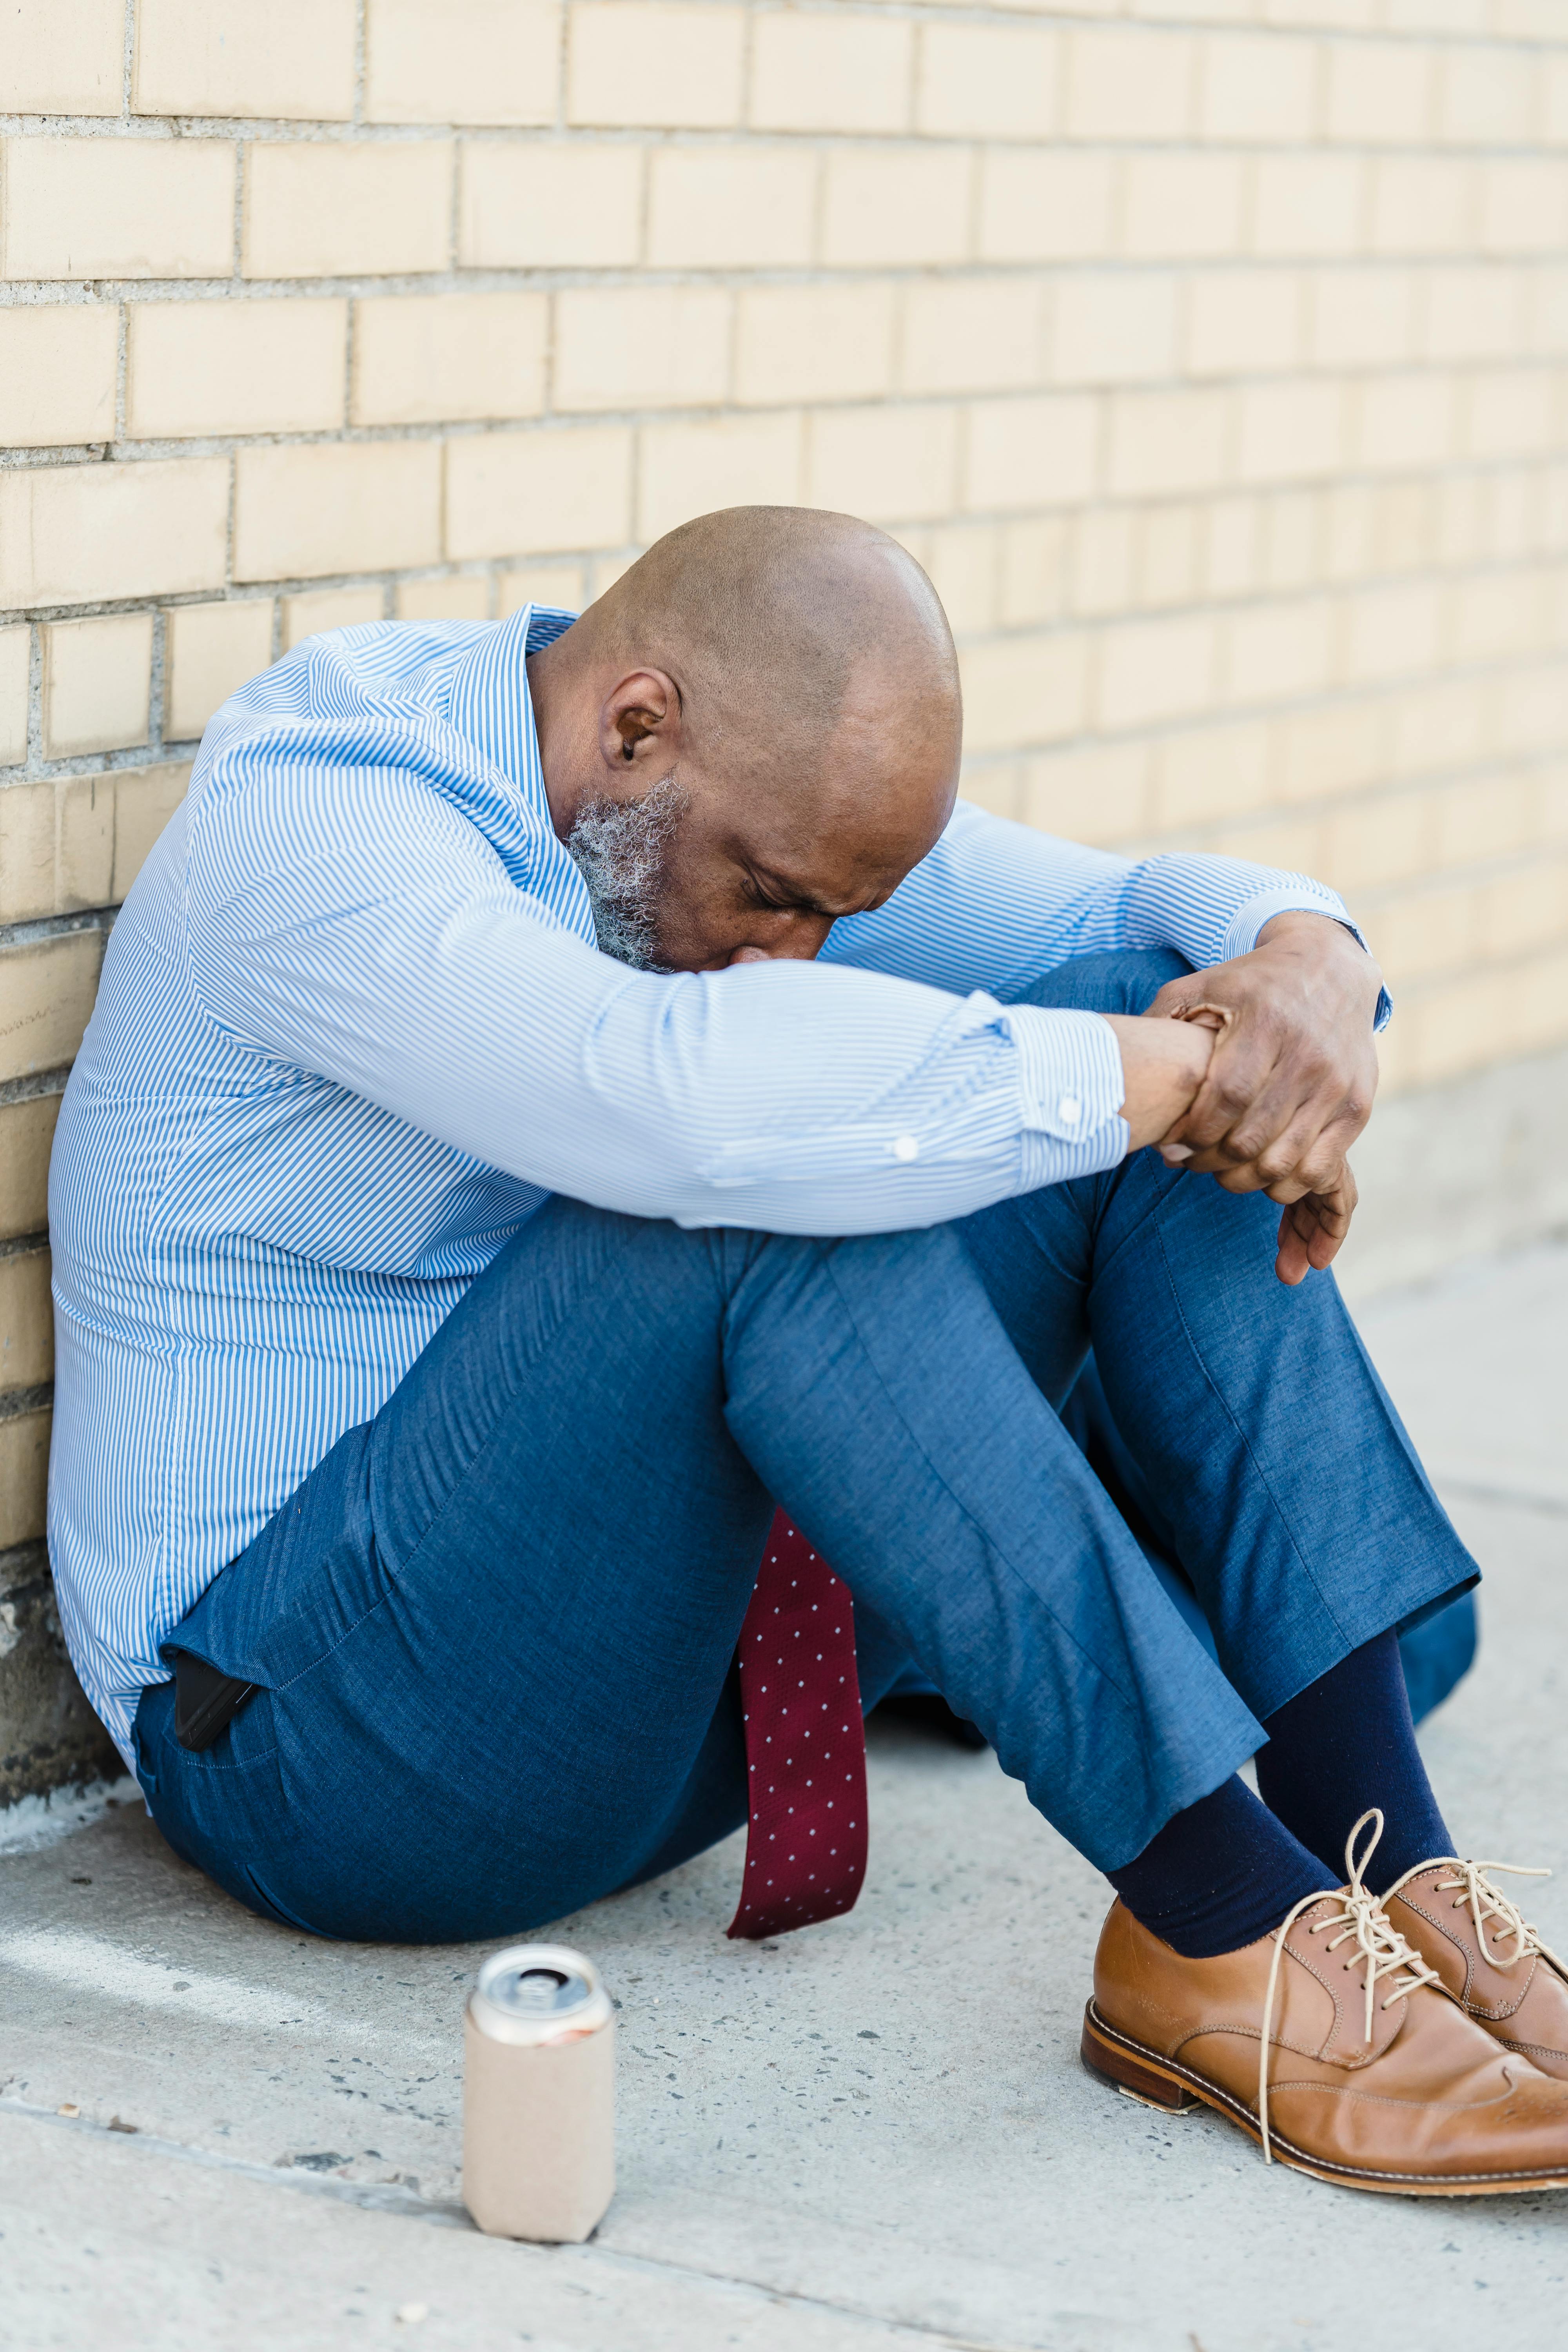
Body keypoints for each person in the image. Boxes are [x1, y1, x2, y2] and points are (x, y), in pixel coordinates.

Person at [49, 507, 1568, 2196]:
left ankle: (1382, 1879)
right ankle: (1215, 1922)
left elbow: (1140, 907)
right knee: (770, 1176)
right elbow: (658, 1101)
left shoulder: (731, 791)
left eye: (833, 913)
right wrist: (1161, 1073)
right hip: (317, 1744)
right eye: (773, 897)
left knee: (1156, 990)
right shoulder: (323, 819)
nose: (799, 949)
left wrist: (1301, 972)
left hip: (650, 1696)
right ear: (633, 728)